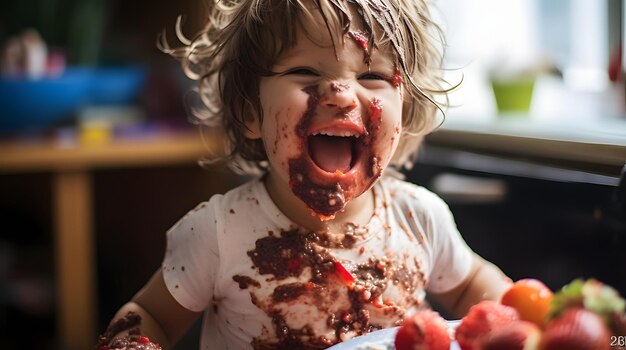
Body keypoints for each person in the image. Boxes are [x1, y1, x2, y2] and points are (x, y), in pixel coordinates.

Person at [99, 0, 512, 348]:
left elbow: (472, 282)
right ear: (249, 112)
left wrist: (520, 317)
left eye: (371, 76)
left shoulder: (419, 218)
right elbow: (149, 314)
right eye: (305, 73)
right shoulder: (219, 232)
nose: (341, 92)